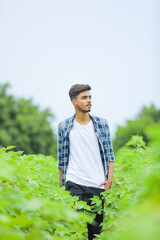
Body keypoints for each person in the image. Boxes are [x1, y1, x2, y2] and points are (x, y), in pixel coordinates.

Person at [57, 84, 115, 240]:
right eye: (84, 98)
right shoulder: (64, 126)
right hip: (74, 182)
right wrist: (62, 186)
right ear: (74, 102)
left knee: (94, 233)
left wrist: (109, 179)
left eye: (90, 97)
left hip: (97, 184)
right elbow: (61, 159)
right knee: (74, 225)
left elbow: (110, 154)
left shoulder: (101, 124)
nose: (89, 100)